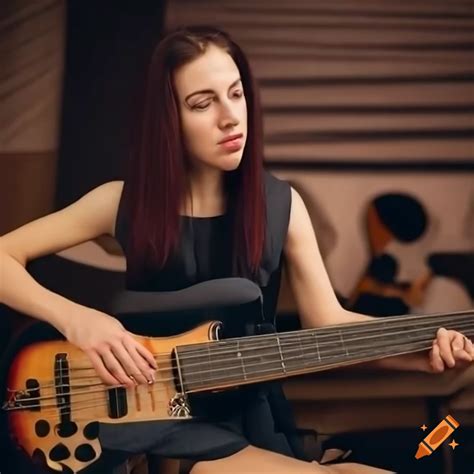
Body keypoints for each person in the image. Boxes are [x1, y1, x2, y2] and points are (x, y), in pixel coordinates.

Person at [0, 26, 472, 474]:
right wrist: (78, 320)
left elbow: (329, 323)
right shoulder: (120, 202)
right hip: (159, 423)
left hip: (250, 416)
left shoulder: (282, 205)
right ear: (168, 119)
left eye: (236, 93)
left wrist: (422, 347)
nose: (230, 117)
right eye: (202, 103)